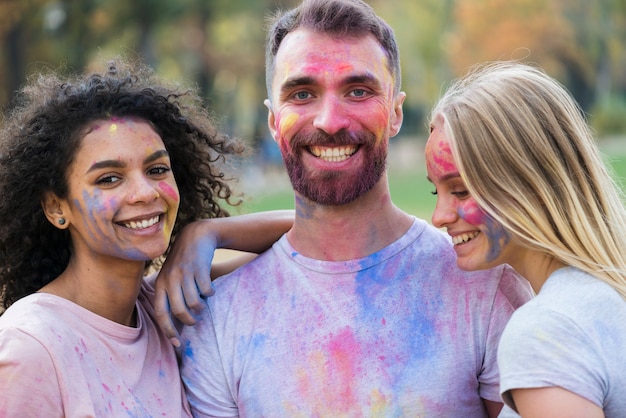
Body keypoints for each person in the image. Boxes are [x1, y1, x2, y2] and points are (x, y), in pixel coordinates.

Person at [155, 1, 534, 416]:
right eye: (302, 94)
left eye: (358, 91)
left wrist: (213, 231)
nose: (330, 121)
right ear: (272, 121)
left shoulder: (485, 287)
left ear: (395, 112)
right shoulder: (215, 314)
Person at [0, 58, 292, 416]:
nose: (145, 192)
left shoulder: (164, 302)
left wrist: (206, 233)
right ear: (56, 208)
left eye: (156, 170)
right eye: (109, 178)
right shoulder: (31, 345)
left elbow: (310, 237)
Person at [425, 61, 626, 417]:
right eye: (434, 192)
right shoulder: (603, 295)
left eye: (459, 190)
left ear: (526, 184)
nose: (439, 216)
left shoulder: (546, 332)